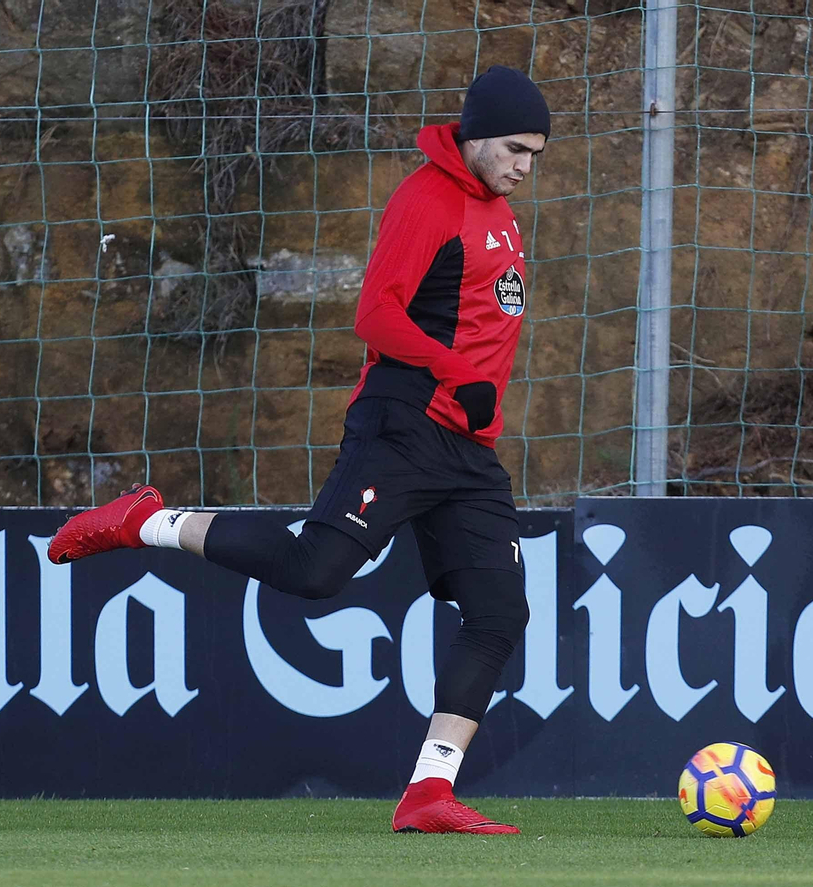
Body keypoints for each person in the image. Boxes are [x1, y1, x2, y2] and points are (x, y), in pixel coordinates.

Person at [48, 65, 549, 836]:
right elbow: (375, 317)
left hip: (468, 450)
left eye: (536, 154)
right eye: (515, 148)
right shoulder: (427, 200)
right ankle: (146, 520)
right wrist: (454, 373)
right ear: (476, 135)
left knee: (498, 609)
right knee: (315, 571)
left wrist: (474, 393)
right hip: (404, 422)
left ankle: (428, 792)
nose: (524, 165)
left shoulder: (503, 215)